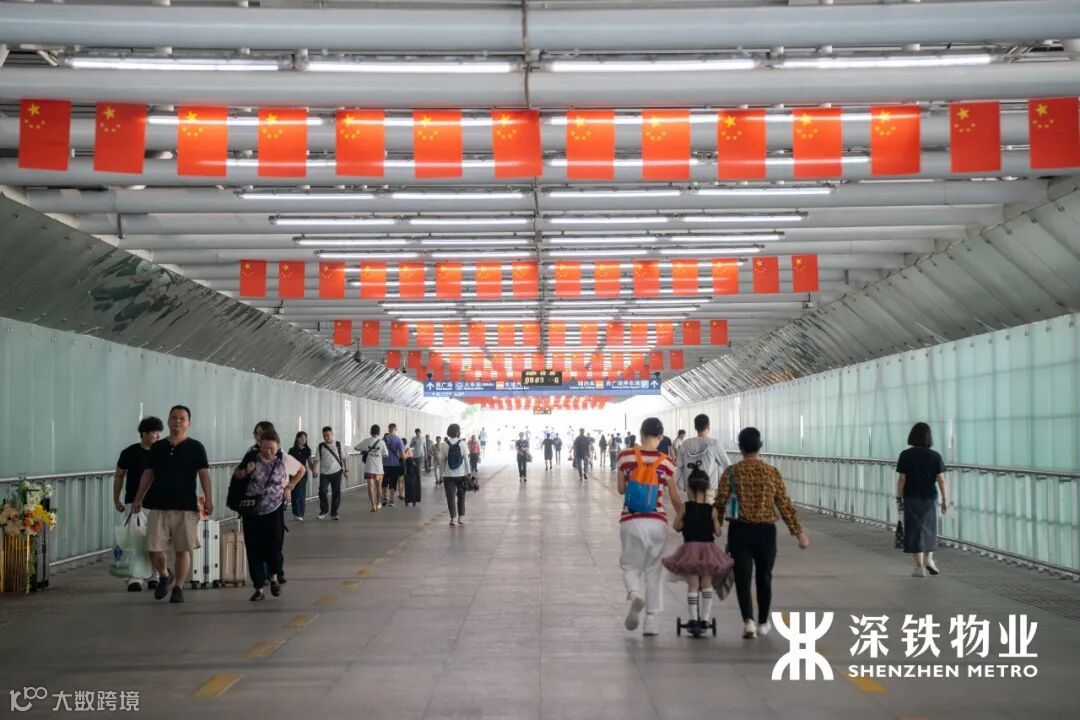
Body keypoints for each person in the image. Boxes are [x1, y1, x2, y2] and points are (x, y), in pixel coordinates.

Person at [716, 427, 810, 639]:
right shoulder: (771, 472)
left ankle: (748, 621)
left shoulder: (731, 472)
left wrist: (717, 524)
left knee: (742, 578)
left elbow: (720, 501)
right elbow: (784, 504)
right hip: (765, 533)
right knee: (764, 577)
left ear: (740, 447)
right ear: (760, 446)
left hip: (739, 531)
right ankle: (763, 621)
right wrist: (799, 533)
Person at [131, 405, 212, 605]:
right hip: (158, 505)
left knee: (182, 550)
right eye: (174, 417)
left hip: (185, 506)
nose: (177, 421)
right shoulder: (158, 447)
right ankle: (164, 575)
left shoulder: (196, 447)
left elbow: (204, 474)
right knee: (154, 548)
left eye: (182, 418)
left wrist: (208, 499)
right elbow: (148, 474)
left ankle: (178, 588)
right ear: (168, 421)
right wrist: (138, 498)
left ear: (188, 423)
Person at [617, 417, 682, 637]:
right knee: (654, 570)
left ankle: (635, 594)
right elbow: (674, 497)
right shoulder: (667, 462)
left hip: (631, 520)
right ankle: (651, 622)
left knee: (630, 566)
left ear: (641, 433)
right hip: (657, 521)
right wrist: (682, 516)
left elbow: (620, 489)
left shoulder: (625, 456)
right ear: (660, 437)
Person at [235, 429, 305, 602]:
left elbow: (301, 470)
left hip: (274, 510)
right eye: (265, 448)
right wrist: (246, 471)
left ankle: (274, 577)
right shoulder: (251, 457)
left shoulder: (284, 459)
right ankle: (258, 588)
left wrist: (290, 487)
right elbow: (237, 474)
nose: (268, 452)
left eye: (272, 449)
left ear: (278, 446)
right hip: (252, 511)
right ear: (260, 445)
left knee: (274, 547)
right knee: (253, 549)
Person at [662, 464, 731, 632]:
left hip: (690, 550)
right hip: (708, 551)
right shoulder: (712, 510)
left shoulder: (685, 507)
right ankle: (705, 619)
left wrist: (686, 524)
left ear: (689, 488)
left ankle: (693, 619)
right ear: (707, 488)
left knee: (693, 583)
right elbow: (718, 532)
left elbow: (676, 526)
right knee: (707, 582)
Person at [113, 416, 164, 592]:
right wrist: (116, 499)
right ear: (144, 433)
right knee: (136, 540)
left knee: (155, 540)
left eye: (159, 432)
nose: (158, 436)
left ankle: (154, 575)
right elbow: (119, 476)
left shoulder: (162, 452)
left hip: (158, 502)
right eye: (154, 432)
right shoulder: (129, 452)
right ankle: (135, 577)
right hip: (134, 503)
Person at [897, 422, 947, 577]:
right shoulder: (935, 456)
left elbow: (902, 479)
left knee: (914, 529)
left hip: (911, 497)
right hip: (929, 497)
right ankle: (929, 559)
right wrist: (945, 499)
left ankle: (919, 567)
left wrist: (898, 498)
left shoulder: (905, 455)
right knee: (929, 528)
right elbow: (941, 480)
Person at [676, 414, 731, 505]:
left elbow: (678, 465)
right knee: (707, 511)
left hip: (691, 486)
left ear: (695, 427)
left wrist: (682, 484)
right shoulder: (714, 443)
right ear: (708, 426)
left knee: (693, 510)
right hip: (708, 487)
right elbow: (727, 465)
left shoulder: (686, 444)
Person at [439, 424, 470, 526]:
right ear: (457, 432)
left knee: (450, 497)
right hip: (462, 475)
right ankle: (461, 518)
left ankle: (453, 518)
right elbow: (466, 459)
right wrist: (469, 472)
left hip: (448, 475)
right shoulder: (463, 443)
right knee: (461, 496)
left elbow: (441, 460)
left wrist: (441, 473)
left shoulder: (444, 444)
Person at [316, 426, 348, 520]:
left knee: (336, 492)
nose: (326, 437)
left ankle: (334, 513)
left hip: (337, 472)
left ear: (332, 434)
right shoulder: (321, 446)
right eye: (324, 436)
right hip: (324, 473)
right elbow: (316, 459)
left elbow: (344, 458)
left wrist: (346, 470)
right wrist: (314, 469)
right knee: (322, 491)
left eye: (328, 435)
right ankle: (324, 510)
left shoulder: (339, 445)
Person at [355, 425, 389, 512]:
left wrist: (365, 451)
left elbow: (356, 447)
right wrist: (378, 455)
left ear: (371, 432)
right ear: (379, 433)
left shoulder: (367, 441)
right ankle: (378, 504)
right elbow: (386, 455)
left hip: (369, 469)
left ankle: (373, 505)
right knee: (379, 487)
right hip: (378, 470)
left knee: (370, 486)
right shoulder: (382, 442)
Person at [287, 431, 316, 522]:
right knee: (294, 494)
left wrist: (314, 470)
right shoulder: (292, 450)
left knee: (300, 494)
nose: (303, 439)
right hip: (292, 474)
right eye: (301, 438)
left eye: (305, 438)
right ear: (297, 438)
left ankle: (300, 514)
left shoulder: (307, 450)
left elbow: (310, 462)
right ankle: (296, 513)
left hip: (303, 475)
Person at [382, 423, 405, 507]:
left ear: (388, 429)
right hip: (395, 465)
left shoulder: (383, 439)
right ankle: (391, 500)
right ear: (396, 429)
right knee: (393, 482)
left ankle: (385, 498)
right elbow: (402, 454)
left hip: (384, 465)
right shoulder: (398, 439)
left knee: (384, 482)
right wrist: (403, 462)